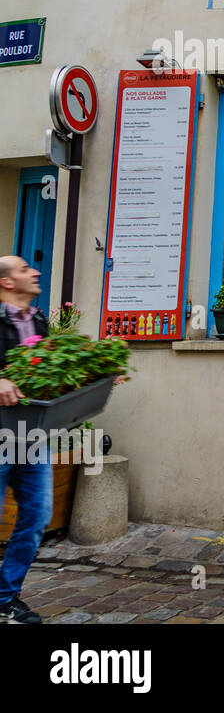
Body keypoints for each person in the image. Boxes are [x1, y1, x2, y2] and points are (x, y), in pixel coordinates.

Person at [0, 256, 48, 624]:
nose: (34, 272)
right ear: (7, 283)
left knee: (35, 516)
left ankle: (5, 598)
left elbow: (50, 374)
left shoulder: (39, 321)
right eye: (24, 269)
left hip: (31, 437)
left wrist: (96, 374)